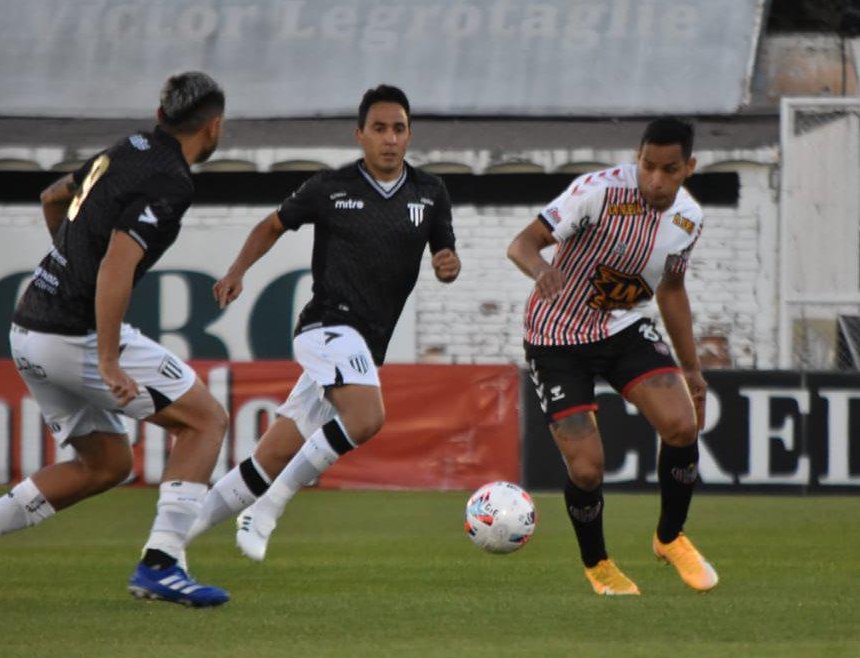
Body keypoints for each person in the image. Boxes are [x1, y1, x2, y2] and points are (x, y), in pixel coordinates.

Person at [0, 72, 231, 609]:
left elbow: (52, 198)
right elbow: (117, 264)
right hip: (73, 337)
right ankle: (161, 564)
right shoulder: (171, 180)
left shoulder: (127, 148)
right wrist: (109, 360)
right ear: (213, 127)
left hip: (28, 330)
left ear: (160, 116)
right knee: (205, 421)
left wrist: (71, 266)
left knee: (106, 464)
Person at [196, 84, 460, 561]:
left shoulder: (430, 192)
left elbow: (445, 254)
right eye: (379, 128)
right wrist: (237, 271)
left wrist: (448, 266)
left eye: (398, 129)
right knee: (367, 417)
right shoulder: (329, 187)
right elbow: (272, 225)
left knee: (270, 458)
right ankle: (265, 512)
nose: (390, 138)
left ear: (409, 135)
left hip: (366, 346)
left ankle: (170, 540)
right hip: (326, 328)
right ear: (360, 134)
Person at [506, 117, 717, 595]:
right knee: (586, 468)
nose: (655, 180)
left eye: (668, 169)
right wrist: (540, 270)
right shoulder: (598, 192)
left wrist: (692, 369)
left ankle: (670, 538)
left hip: (623, 329)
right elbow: (522, 244)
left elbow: (672, 290)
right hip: (556, 337)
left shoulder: (688, 219)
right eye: (647, 166)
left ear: (689, 167)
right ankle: (598, 564)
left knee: (682, 426)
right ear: (637, 159)